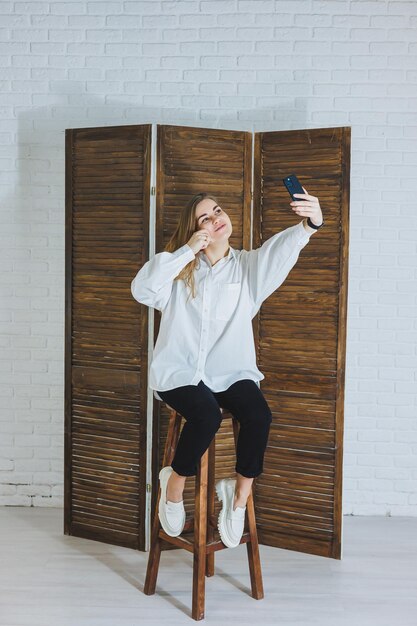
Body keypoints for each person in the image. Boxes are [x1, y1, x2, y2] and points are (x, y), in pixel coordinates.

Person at [131, 188, 323, 548]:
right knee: (205, 415)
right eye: (205, 217)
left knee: (259, 415)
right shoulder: (177, 271)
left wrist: (310, 224)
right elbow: (142, 289)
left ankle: (237, 497)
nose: (215, 218)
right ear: (194, 229)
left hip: (230, 370)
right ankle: (173, 484)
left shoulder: (249, 268)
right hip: (180, 370)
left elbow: (281, 251)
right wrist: (188, 249)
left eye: (217, 211)